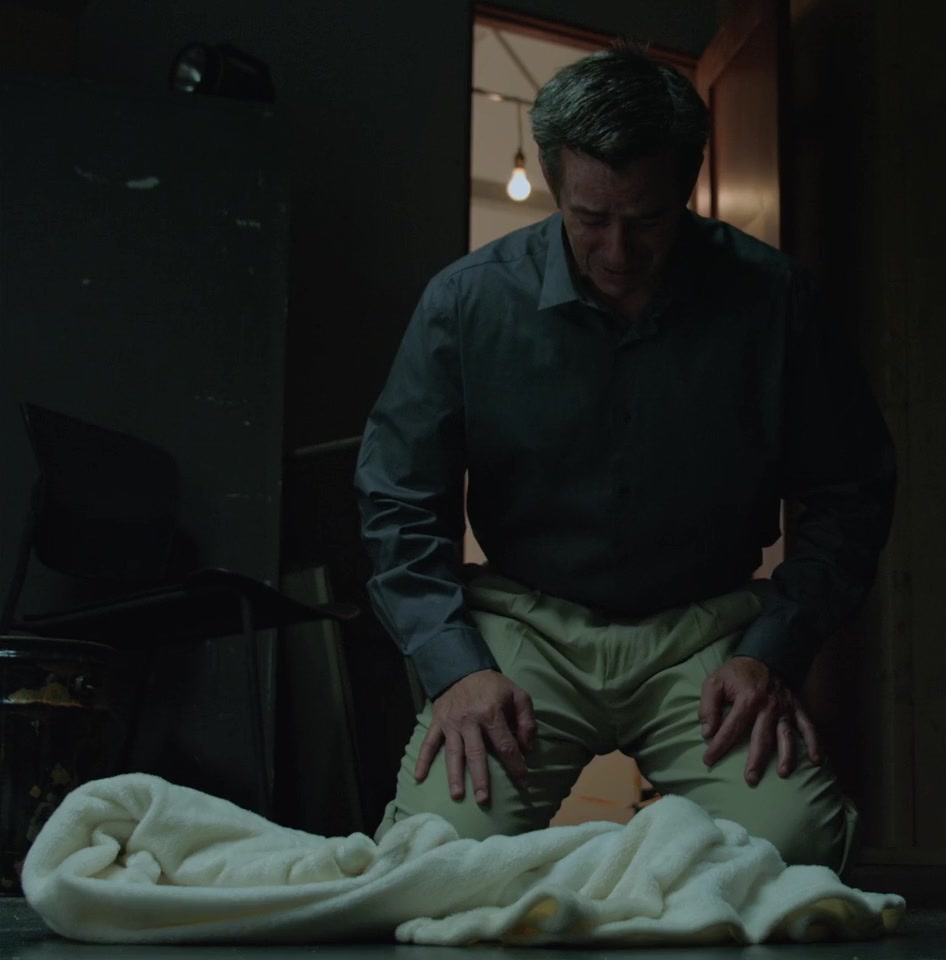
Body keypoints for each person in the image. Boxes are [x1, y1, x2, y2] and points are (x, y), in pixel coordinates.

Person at [354, 44, 895, 879]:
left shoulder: (777, 301)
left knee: (793, 852)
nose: (616, 250)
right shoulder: (466, 302)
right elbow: (398, 498)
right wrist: (453, 666)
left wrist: (774, 650)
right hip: (526, 627)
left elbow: (851, 491)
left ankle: (652, 850)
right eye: (589, 218)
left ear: (688, 186)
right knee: (434, 859)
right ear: (554, 184)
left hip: (704, 633)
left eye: (646, 220)